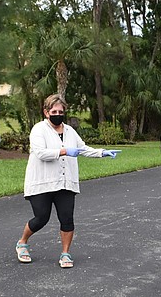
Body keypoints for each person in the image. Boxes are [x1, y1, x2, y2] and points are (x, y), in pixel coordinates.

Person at [15, 94, 120, 268]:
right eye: (54, 111)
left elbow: (82, 149)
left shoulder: (70, 131)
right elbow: (41, 153)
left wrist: (102, 152)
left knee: (67, 218)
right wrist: (63, 151)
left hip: (65, 183)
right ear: (46, 112)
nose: (58, 114)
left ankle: (65, 253)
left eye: (60, 111)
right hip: (42, 182)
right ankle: (22, 242)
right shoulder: (39, 130)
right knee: (41, 218)